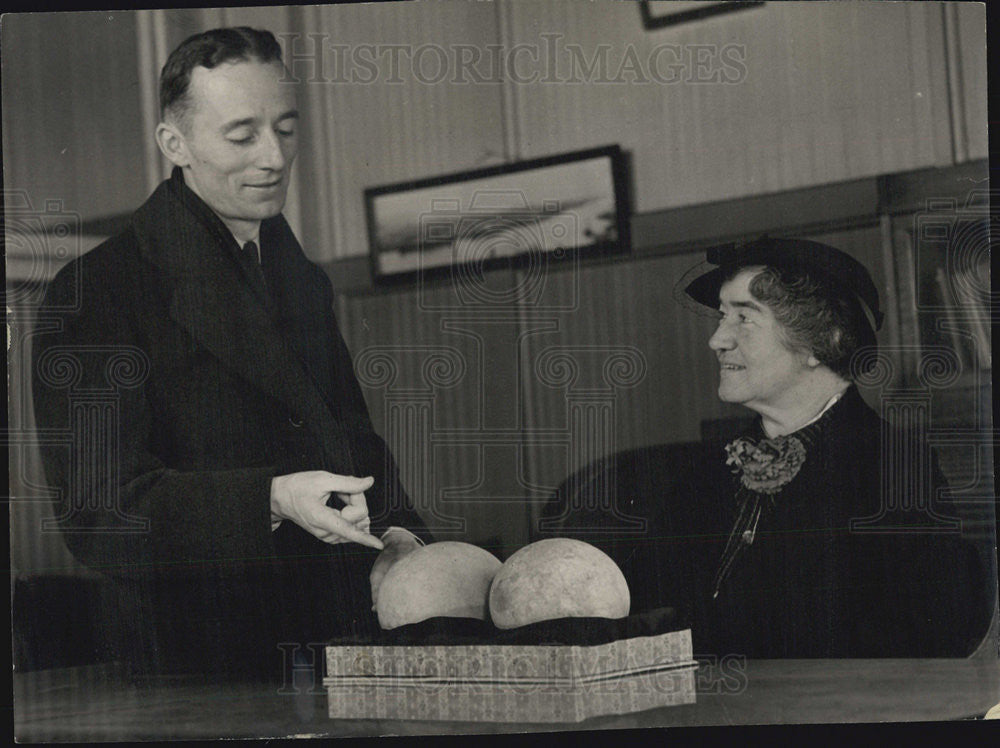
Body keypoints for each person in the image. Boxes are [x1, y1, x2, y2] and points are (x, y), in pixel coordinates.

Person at [31, 27, 428, 680]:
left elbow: (354, 440)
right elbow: (102, 514)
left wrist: (402, 537)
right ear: (174, 144)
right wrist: (269, 499)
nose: (273, 157)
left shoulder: (299, 276)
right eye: (242, 136)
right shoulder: (95, 289)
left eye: (286, 128)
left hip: (338, 636)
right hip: (198, 665)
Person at [651, 236, 993, 657]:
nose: (717, 339)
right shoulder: (708, 469)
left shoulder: (893, 470)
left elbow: (920, 644)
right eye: (722, 317)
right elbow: (649, 595)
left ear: (822, 341)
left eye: (744, 318)